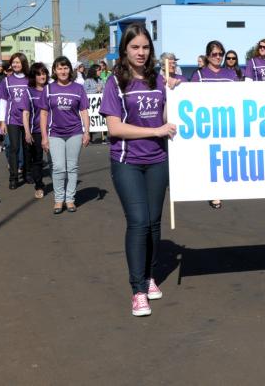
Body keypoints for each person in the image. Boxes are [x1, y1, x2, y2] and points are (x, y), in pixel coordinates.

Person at [99, 23, 176, 317]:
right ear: (124, 50)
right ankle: (137, 290)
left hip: (157, 161)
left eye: (145, 47)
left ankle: (149, 276)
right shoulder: (115, 83)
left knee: (155, 224)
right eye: (135, 47)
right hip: (127, 162)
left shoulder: (159, 79)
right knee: (139, 221)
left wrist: (175, 93)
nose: (141, 52)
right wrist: (155, 132)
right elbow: (115, 128)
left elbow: (167, 117)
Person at [39, 56, 90, 214]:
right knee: (59, 167)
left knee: (72, 167)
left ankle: (70, 199)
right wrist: (44, 137)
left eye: (66, 67)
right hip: (55, 133)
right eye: (59, 68)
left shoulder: (78, 88)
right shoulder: (48, 89)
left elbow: (84, 111)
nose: (63, 71)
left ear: (71, 69)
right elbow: (43, 114)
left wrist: (87, 131)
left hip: (75, 132)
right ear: (54, 70)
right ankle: (59, 199)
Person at [190, 40, 238, 209]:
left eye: (220, 54)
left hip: (226, 123)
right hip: (207, 125)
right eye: (214, 54)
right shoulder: (199, 75)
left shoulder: (231, 75)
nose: (218, 57)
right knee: (209, 159)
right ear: (208, 56)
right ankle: (212, 191)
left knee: (224, 159)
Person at [0, 52, 30, 189]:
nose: (15, 65)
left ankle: (28, 173)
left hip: (28, 119)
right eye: (13, 62)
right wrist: (2, 120)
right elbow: (3, 100)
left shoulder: (30, 79)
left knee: (27, 147)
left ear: (23, 63)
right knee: (14, 147)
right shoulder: (6, 81)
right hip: (12, 119)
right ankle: (13, 177)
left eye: (18, 62)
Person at [21, 62, 49, 199]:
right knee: (37, 160)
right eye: (39, 74)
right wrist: (27, 132)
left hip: (54, 130)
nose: (42, 76)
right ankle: (39, 185)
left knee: (56, 160)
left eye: (44, 73)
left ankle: (61, 185)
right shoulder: (28, 92)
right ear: (34, 76)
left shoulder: (52, 89)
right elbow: (25, 113)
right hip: (36, 131)